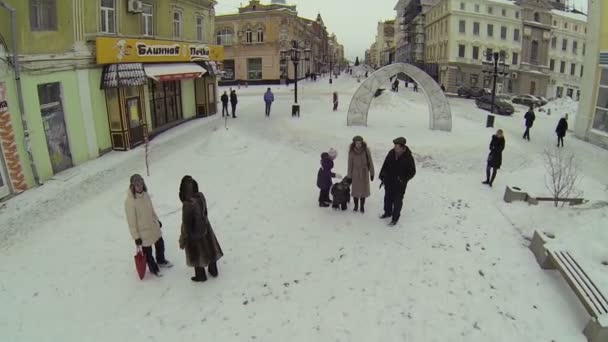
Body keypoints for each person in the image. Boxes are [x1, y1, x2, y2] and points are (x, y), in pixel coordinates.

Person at [125, 174, 172, 277]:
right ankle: (153, 269)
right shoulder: (130, 202)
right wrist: (136, 237)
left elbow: (151, 210)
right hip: (143, 231)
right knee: (148, 252)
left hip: (153, 226)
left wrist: (157, 220)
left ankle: (161, 260)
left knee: (160, 244)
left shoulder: (145, 194)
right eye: (137, 184)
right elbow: (131, 222)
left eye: (141, 183)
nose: (139, 186)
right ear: (133, 186)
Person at [179, 176, 223, 282]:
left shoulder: (187, 204)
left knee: (196, 253)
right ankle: (213, 270)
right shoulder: (200, 196)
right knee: (210, 247)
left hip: (194, 234)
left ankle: (200, 275)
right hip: (206, 227)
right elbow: (205, 212)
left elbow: (186, 224)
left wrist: (184, 238)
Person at [379, 137, 416, 226]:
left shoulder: (408, 157)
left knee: (397, 201)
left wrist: (403, 179)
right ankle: (387, 212)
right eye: (395, 146)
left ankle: (395, 218)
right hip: (389, 181)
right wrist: (382, 175)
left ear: (403, 147)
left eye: (397, 146)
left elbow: (412, 171)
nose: (395, 148)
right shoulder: (391, 153)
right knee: (387, 198)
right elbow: (385, 165)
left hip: (400, 184)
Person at [348, 136, 375, 213]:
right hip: (355, 173)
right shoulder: (351, 152)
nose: (358, 145)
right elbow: (350, 164)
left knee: (363, 191)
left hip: (364, 173)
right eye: (357, 143)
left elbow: (370, 162)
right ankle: (356, 206)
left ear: (362, 143)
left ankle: (362, 206)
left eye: (360, 143)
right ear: (354, 143)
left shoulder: (366, 150)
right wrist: (349, 176)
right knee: (355, 191)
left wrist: (372, 173)